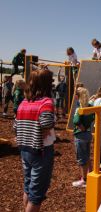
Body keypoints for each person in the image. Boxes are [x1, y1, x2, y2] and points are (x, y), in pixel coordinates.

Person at [14, 68, 55, 212]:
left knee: (28, 186)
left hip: (25, 149)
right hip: (41, 150)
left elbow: (16, 125)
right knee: (36, 195)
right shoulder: (46, 102)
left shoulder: (24, 102)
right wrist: (43, 130)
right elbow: (47, 123)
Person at [72, 87, 94, 187]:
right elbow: (93, 117)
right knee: (87, 156)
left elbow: (76, 121)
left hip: (80, 135)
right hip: (88, 134)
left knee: (81, 159)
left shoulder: (80, 108)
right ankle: (90, 174)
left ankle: (84, 180)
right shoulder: (90, 106)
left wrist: (81, 127)